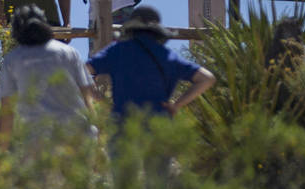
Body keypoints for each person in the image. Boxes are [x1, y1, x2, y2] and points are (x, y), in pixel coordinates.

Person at [87, 6, 215, 119]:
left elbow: (83, 69)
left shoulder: (117, 51)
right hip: (158, 130)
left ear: (131, 28)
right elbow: (207, 78)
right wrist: (176, 105)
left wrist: (100, 99)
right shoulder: (168, 56)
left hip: (123, 129)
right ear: (157, 31)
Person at [0, 5, 95, 150]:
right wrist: (97, 137)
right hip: (79, 134)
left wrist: (1, 152)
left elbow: (7, 110)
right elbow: (87, 98)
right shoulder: (69, 52)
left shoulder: (13, 59)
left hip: (40, 140)